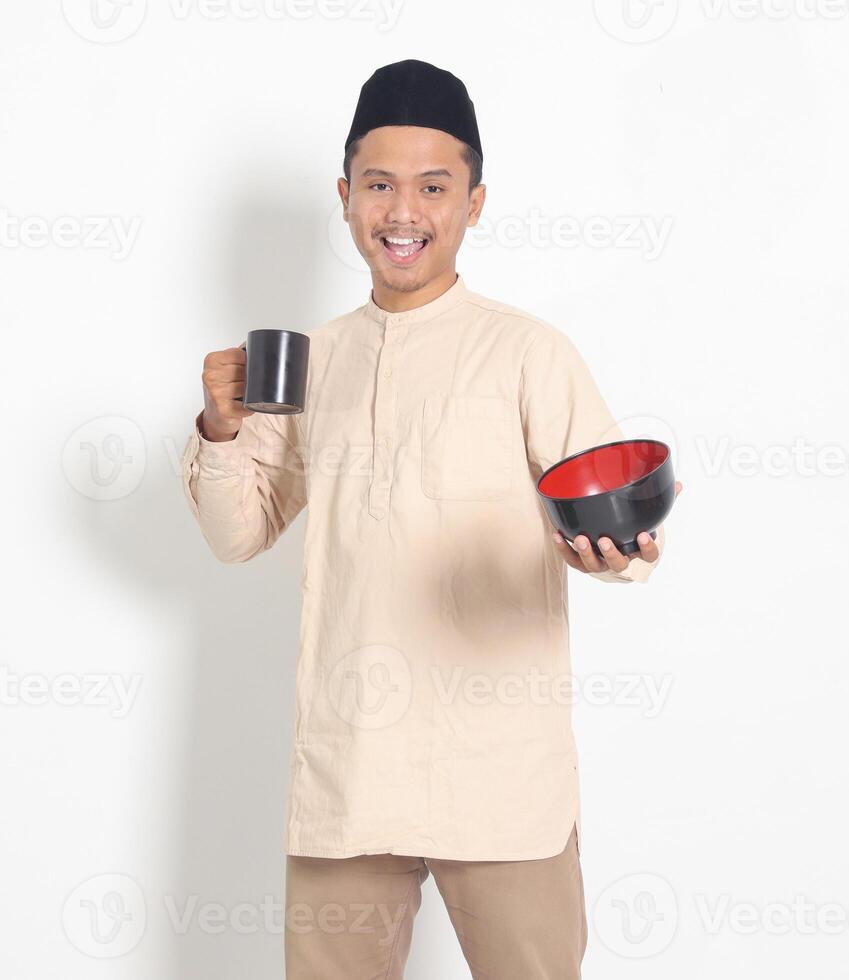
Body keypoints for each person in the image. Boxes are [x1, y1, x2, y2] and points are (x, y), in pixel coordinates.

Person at [179, 58, 679, 980]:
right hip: (349, 772)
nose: (402, 212)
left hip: (500, 777)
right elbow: (236, 534)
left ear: (475, 203)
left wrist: (616, 548)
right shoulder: (311, 362)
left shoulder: (529, 353)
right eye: (379, 185)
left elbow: (615, 530)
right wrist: (220, 429)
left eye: (433, 187)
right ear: (344, 197)